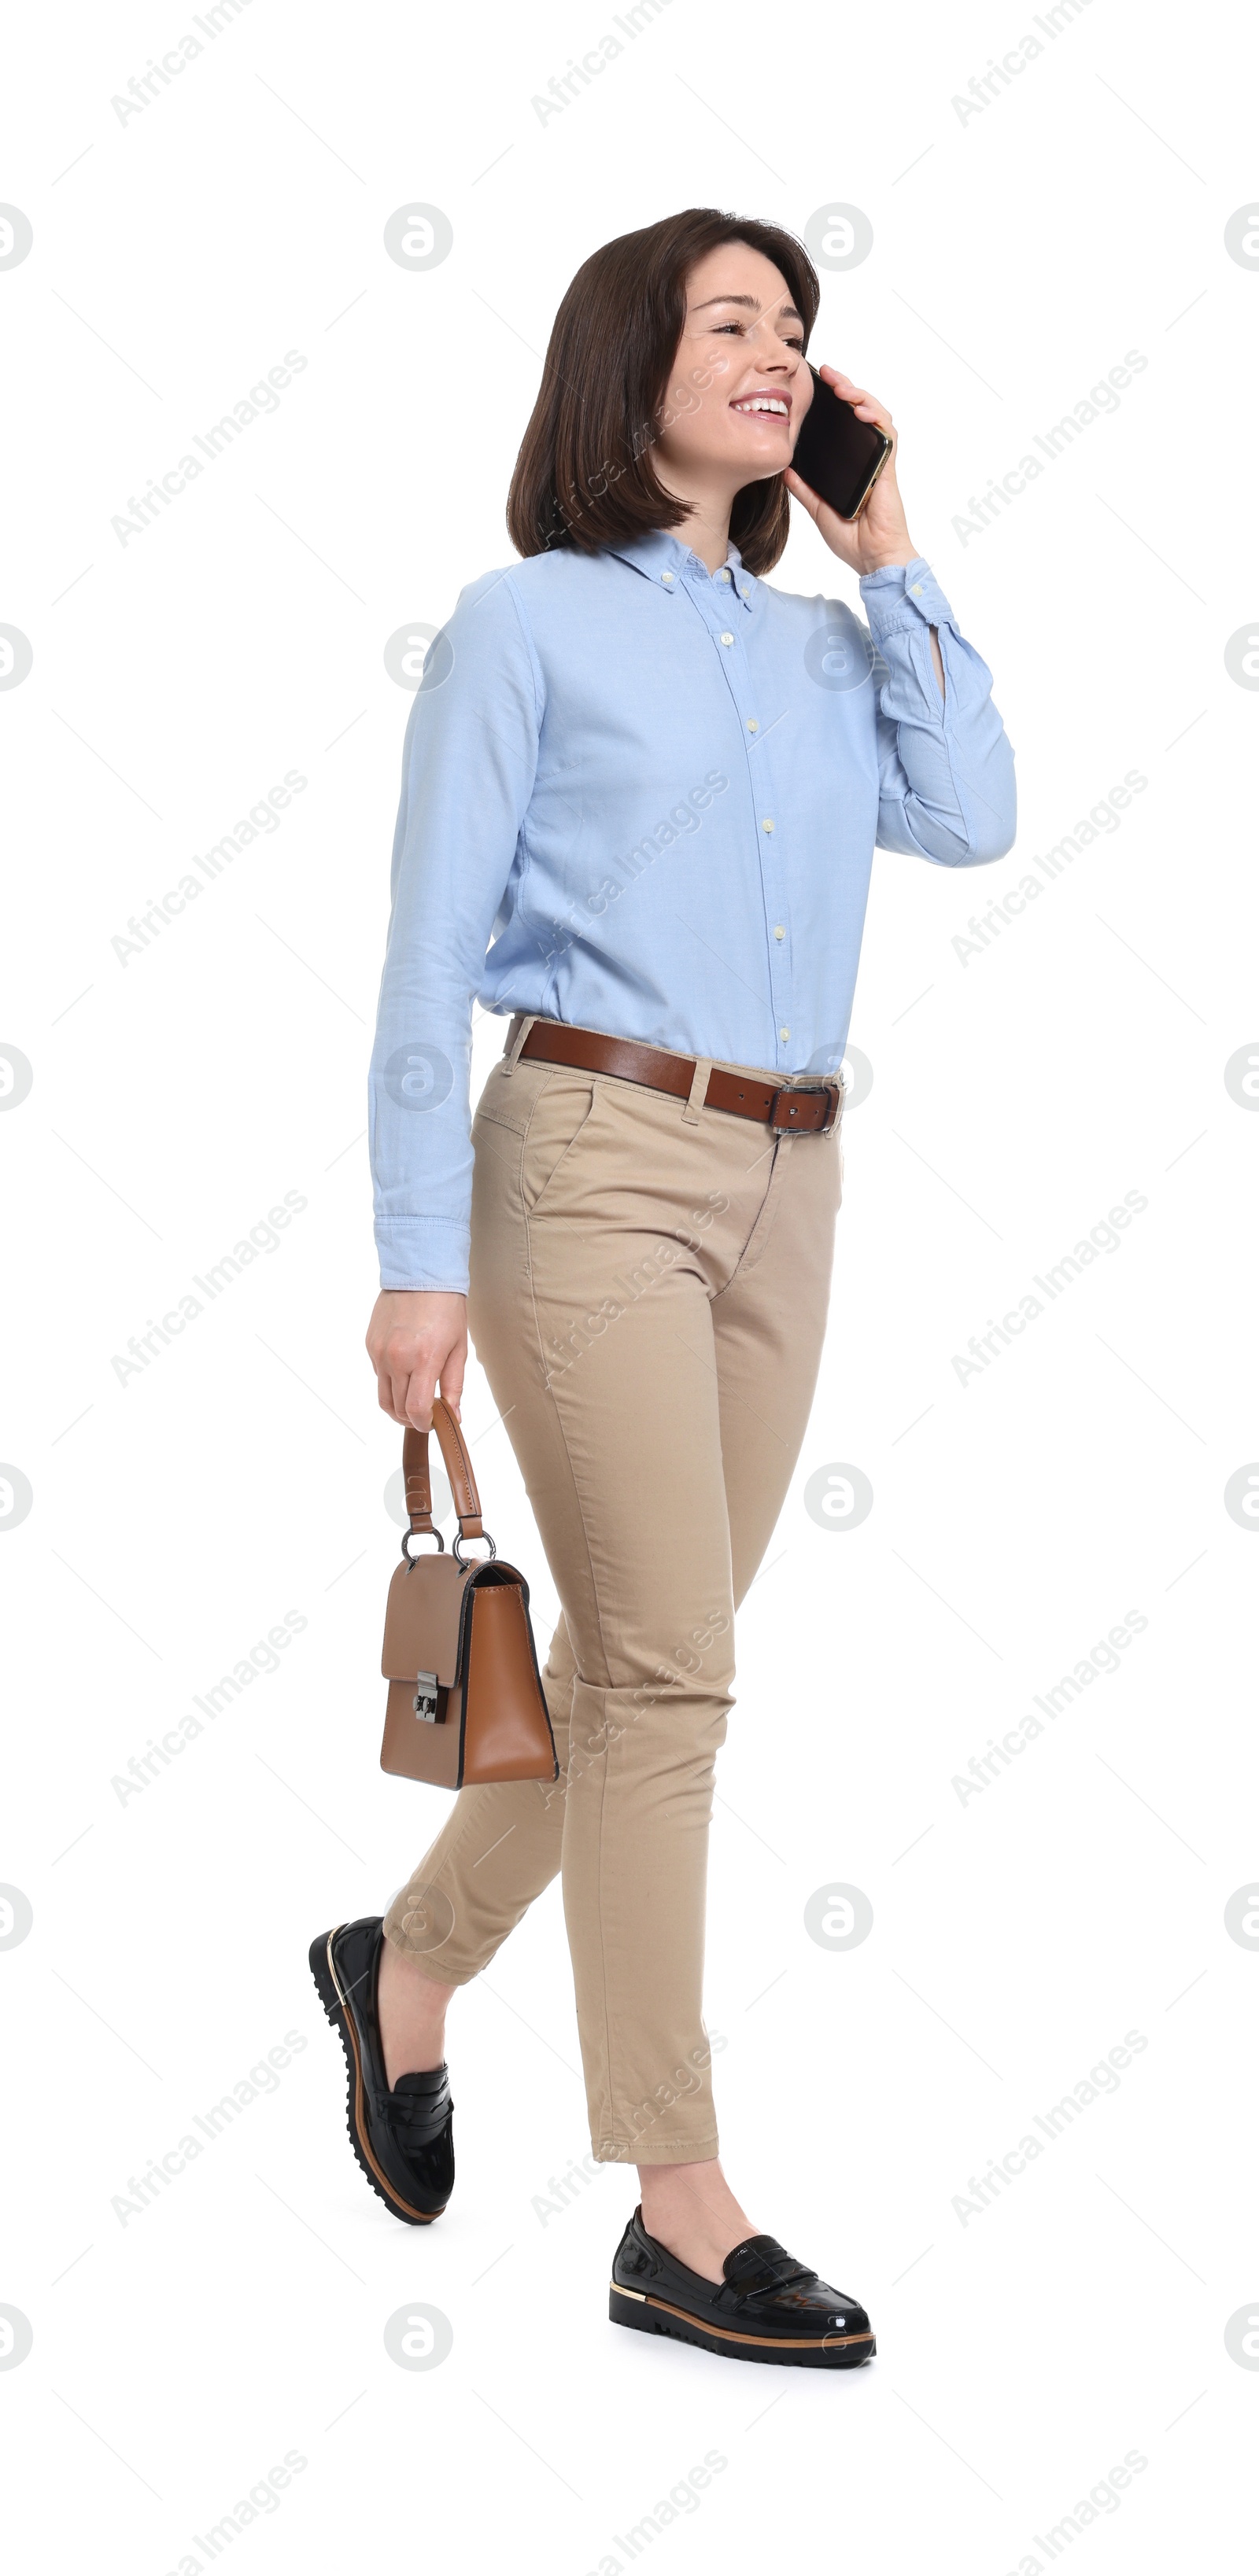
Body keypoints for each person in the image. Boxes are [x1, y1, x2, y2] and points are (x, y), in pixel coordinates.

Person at [310, 205, 1015, 2369]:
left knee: (637, 1674)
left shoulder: (823, 650)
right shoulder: (522, 628)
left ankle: (404, 1970)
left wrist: (888, 546)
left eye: (798, 329)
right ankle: (676, 2204)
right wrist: (416, 1254)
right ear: (630, 366)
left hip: (791, 1178)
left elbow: (974, 809)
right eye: (733, 320)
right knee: (676, 1680)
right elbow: (429, 952)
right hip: (587, 1163)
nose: (780, 351)